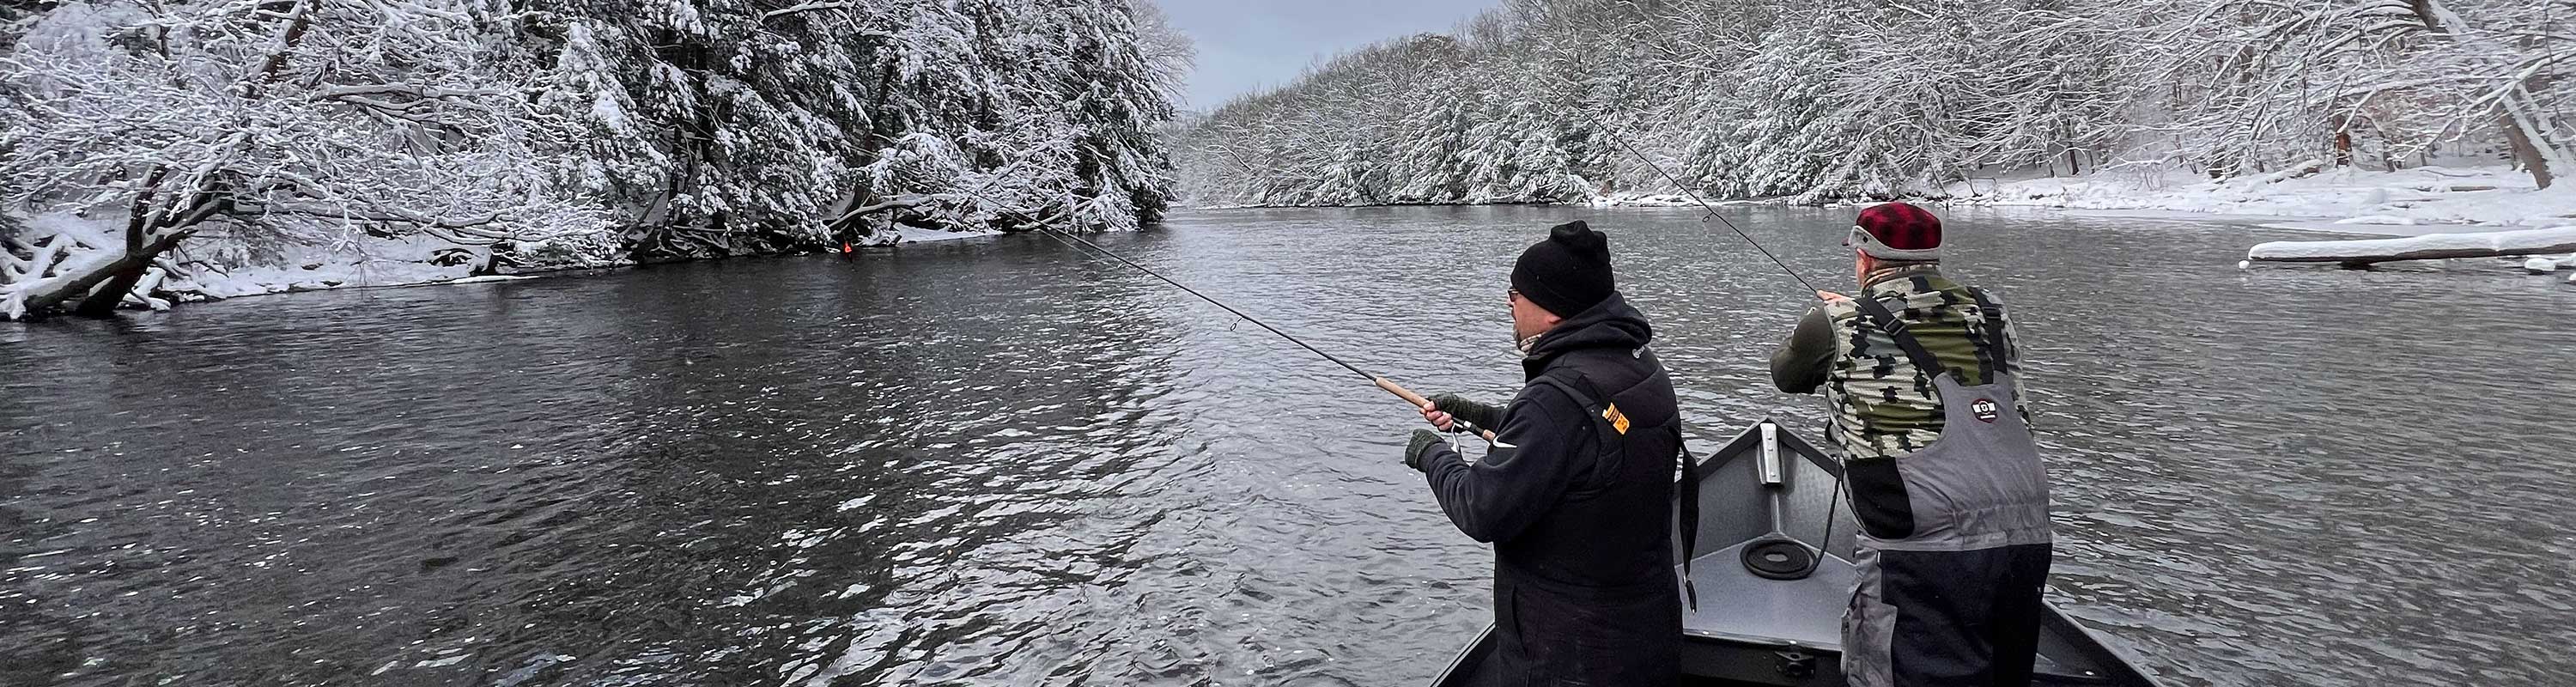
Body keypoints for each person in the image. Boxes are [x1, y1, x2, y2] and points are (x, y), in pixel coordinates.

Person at [1770, 203, 2053, 687]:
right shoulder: (1991, 310)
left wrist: (1835, 317)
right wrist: (1853, 315)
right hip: (2025, 526)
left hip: (1921, 540)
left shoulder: (1835, 321)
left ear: (1864, 258)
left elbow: (1786, 374)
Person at [1401, 220, 1686, 687]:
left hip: (1569, 654)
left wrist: (1432, 454)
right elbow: (1580, 443)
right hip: (1645, 631)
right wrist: (1481, 416)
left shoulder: (1552, 402)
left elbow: (1480, 507)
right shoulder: (1638, 364)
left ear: (1553, 310)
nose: (1509, 303)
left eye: (1516, 294)